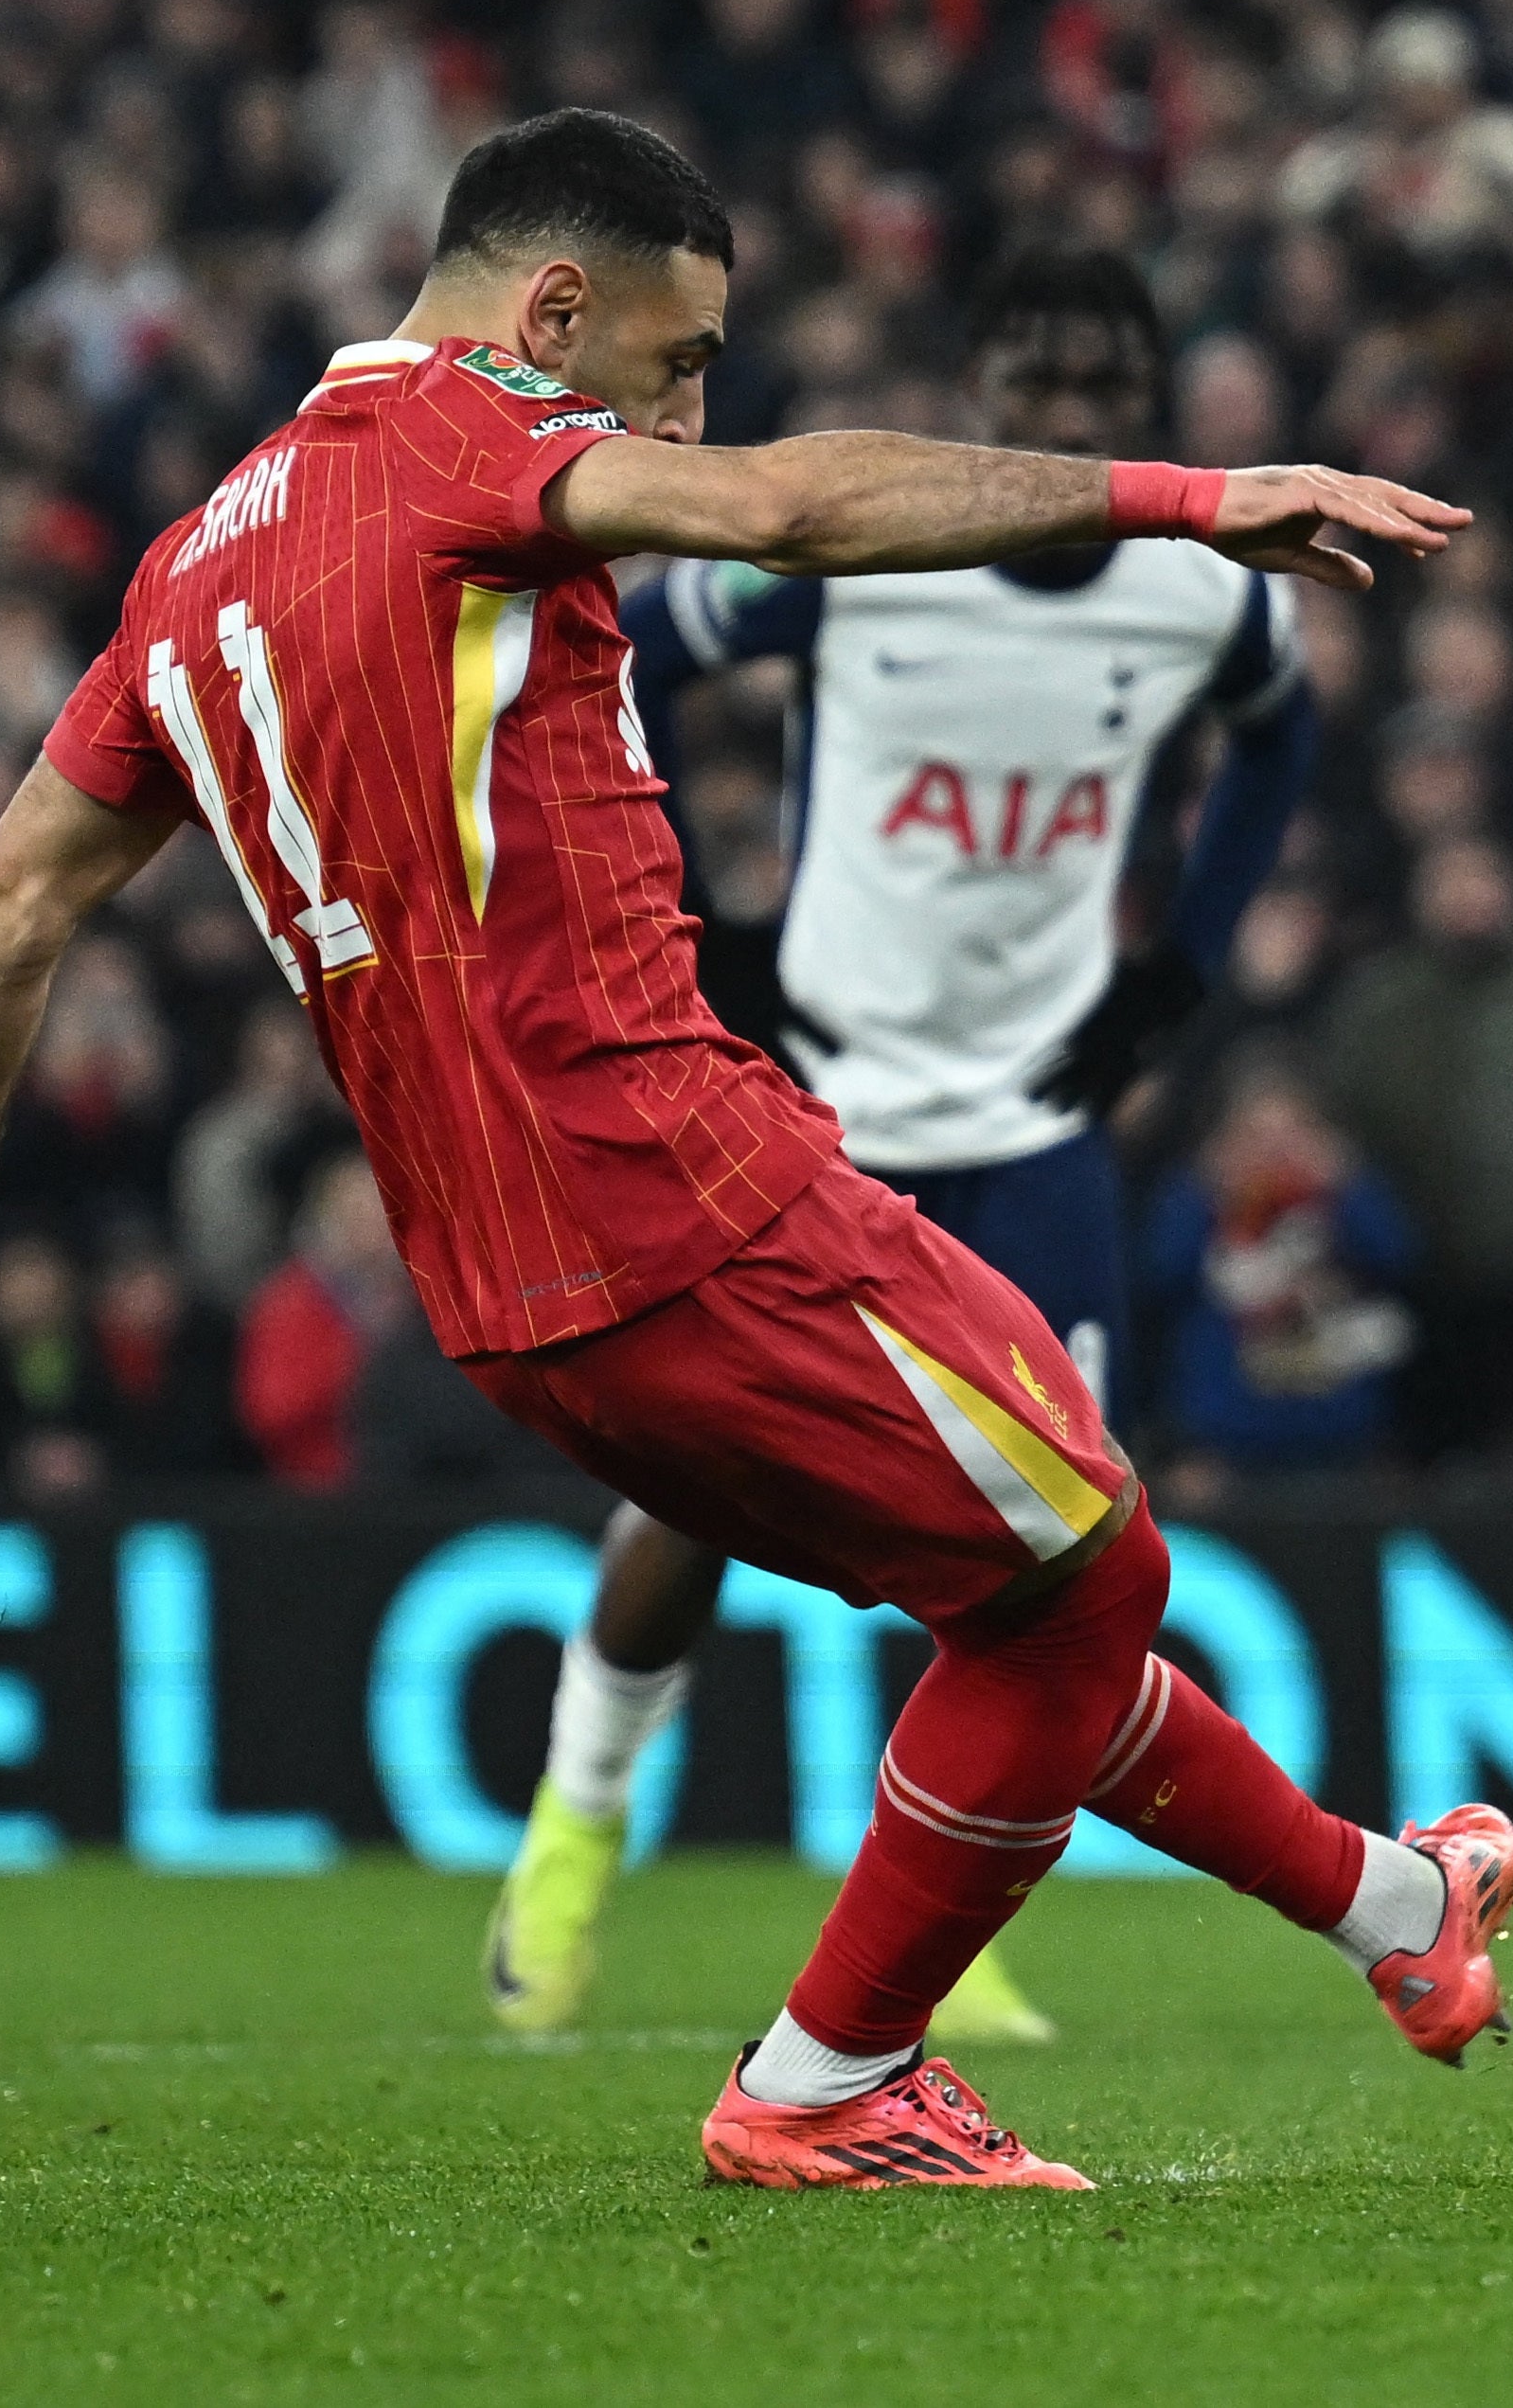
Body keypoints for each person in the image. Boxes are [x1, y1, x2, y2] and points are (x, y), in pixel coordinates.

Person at [0, 110, 1512, 2193]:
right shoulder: (464, 440)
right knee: (1088, 1567)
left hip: (506, 1285)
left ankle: (1396, 1910)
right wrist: (1188, 498)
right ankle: (827, 2078)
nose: (694, 403)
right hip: (669, 1178)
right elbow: (797, 512)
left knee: (1035, 1587)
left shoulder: (194, 560)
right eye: (680, 352)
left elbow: (10, 898)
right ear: (552, 312)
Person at [480, 246, 1319, 2049]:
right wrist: (687, 923)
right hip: (817, 1116)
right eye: (1032, 375)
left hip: (1036, 1131)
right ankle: (574, 1828)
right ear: (982, 394)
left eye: (1101, 373)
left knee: (1043, 1561)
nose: (1066, 406)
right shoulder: (863, 572)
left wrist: (1177, 968)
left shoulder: (1203, 598)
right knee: (685, 1511)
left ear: (1143, 392)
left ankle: (958, 1932)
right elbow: (618, 659)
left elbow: (1277, 738)